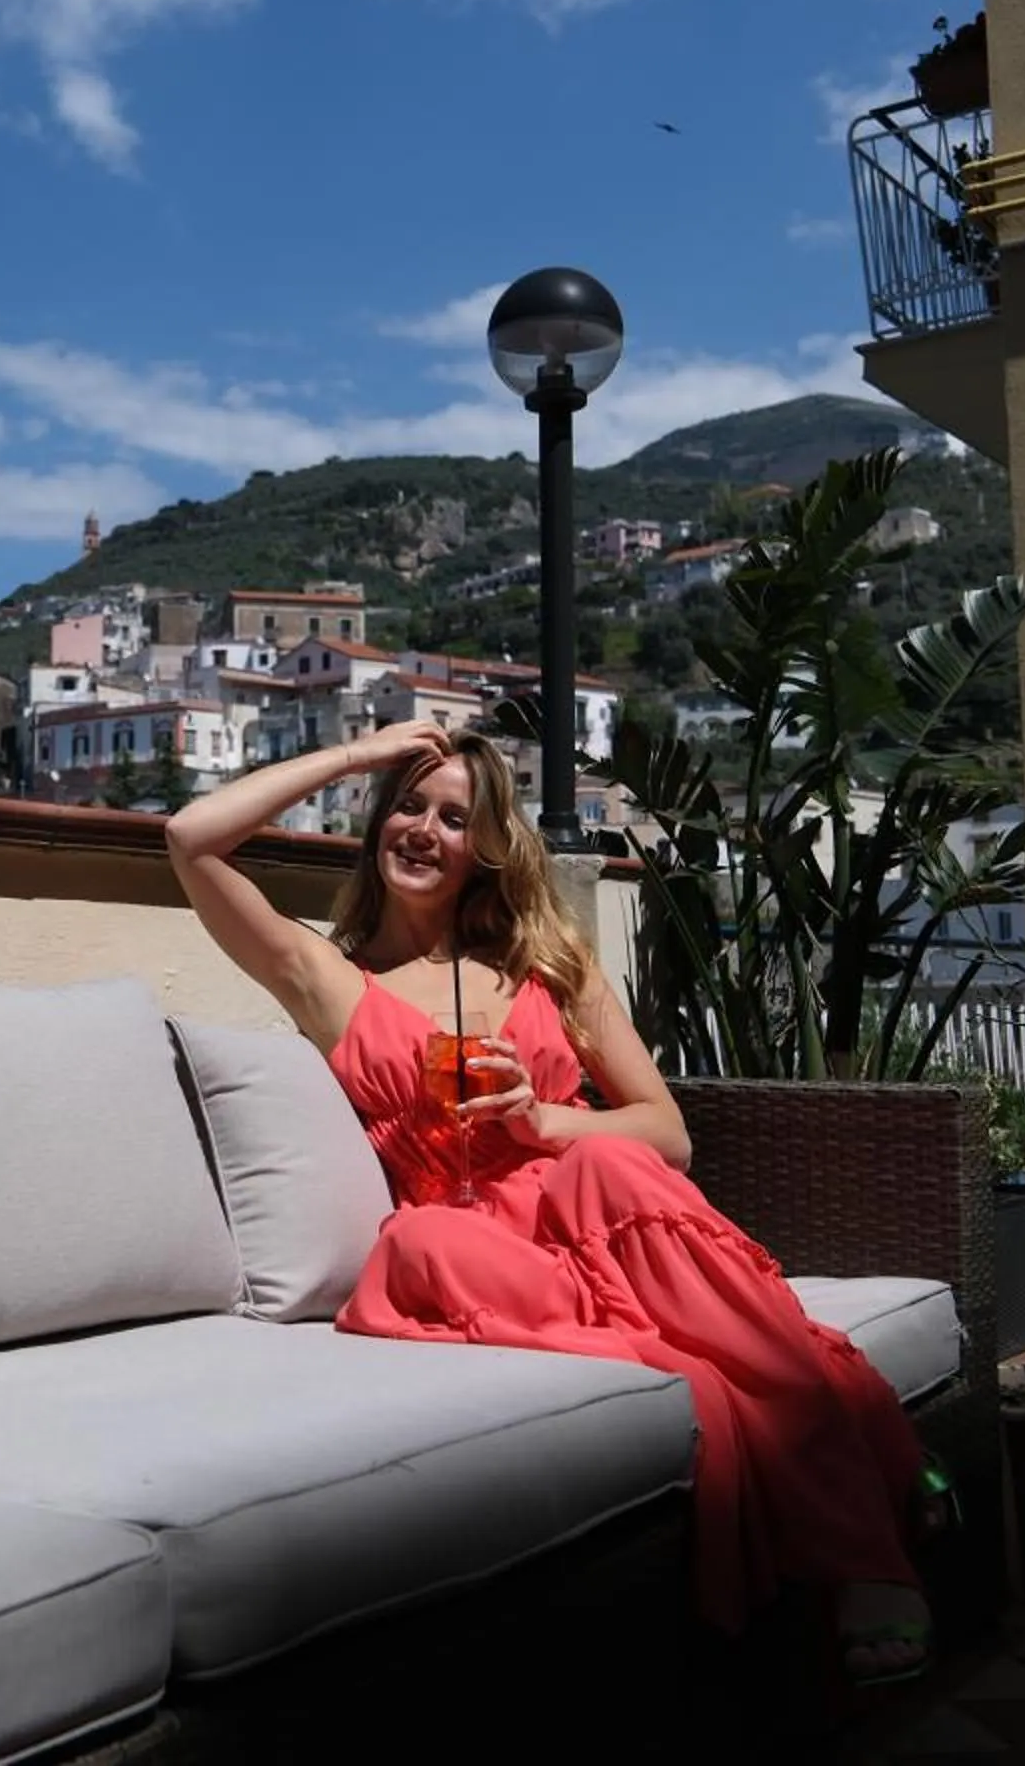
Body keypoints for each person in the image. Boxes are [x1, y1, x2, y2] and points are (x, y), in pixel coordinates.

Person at [164, 718, 933, 1683]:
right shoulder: (330, 977)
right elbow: (191, 840)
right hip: (487, 1242)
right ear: (375, 823)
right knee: (421, 1244)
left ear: (484, 848)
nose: (423, 830)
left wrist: (546, 1124)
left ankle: (865, 1562)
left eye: (453, 817)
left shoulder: (550, 965)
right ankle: (871, 1449)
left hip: (591, 1212)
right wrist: (364, 754)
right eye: (408, 806)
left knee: (604, 1168)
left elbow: (668, 1134)